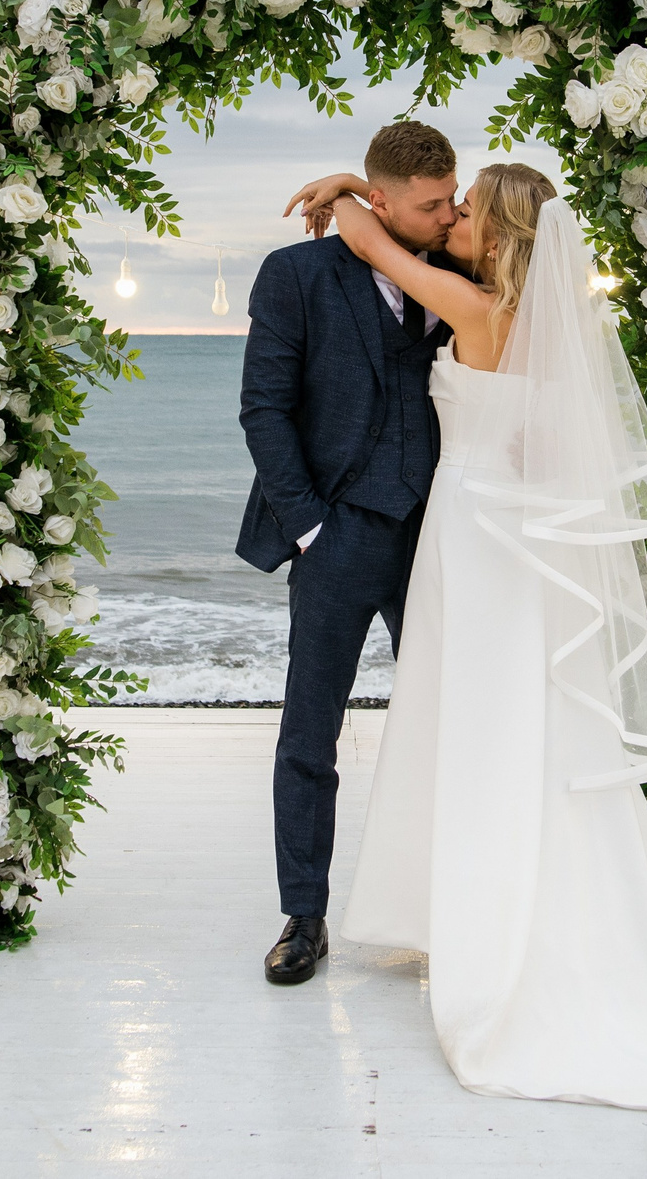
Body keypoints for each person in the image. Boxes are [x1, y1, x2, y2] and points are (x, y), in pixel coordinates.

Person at [276, 158, 647, 1116]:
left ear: (493, 235)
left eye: (464, 213)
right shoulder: (540, 319)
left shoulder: (477, 311)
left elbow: (370, 241)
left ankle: (495, 924)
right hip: (505, 537)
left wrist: (344, 190)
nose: (449, 220)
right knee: (515, 727)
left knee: (485, 728)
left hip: (478, 543)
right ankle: (491, 900)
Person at [236, 121, 462, 987]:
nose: (446, 217)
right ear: (381, 199)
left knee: (448, 722)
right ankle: (304, 915)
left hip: (440, 530)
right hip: (340, 531)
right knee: (310, 732)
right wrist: (311, 528)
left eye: (450, 200)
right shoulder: (294, 275)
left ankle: (451, 901)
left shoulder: (463, 266)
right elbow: (265, 409)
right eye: (430, 204)